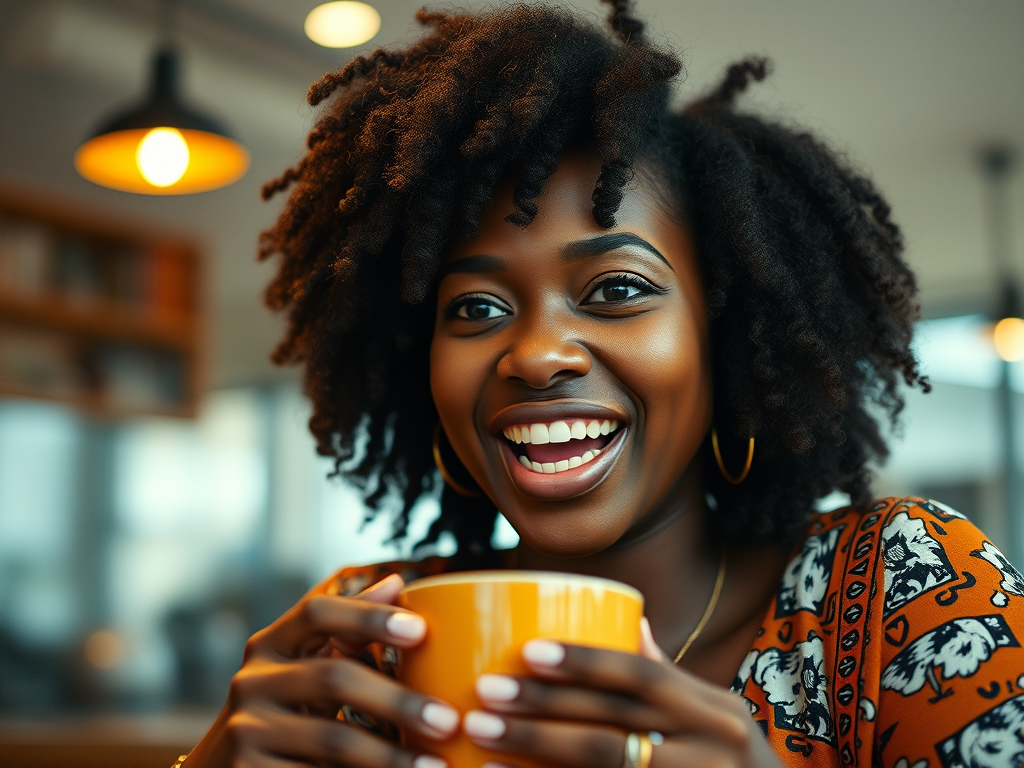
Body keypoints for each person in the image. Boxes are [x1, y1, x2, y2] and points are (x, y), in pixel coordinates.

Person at [186, 2, 1024, 767]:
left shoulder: (901, 591)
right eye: (475, 306)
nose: (538, 355)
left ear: (720, 338)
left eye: (618, 289)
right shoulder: (360, 643)